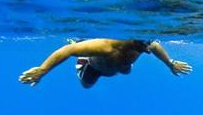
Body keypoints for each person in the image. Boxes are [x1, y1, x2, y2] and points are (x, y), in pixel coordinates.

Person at [19, 38, 192, 88]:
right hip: (94, 67)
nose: (148, 50)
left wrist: (170, 64)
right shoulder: (105, 46)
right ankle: (82, 56)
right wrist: (43, 70)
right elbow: (66, 51)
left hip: (119, 67)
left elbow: (154, 47)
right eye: (144, 47)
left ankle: (123, 67)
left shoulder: (145, 44)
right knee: (87, 84)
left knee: (126, 71)